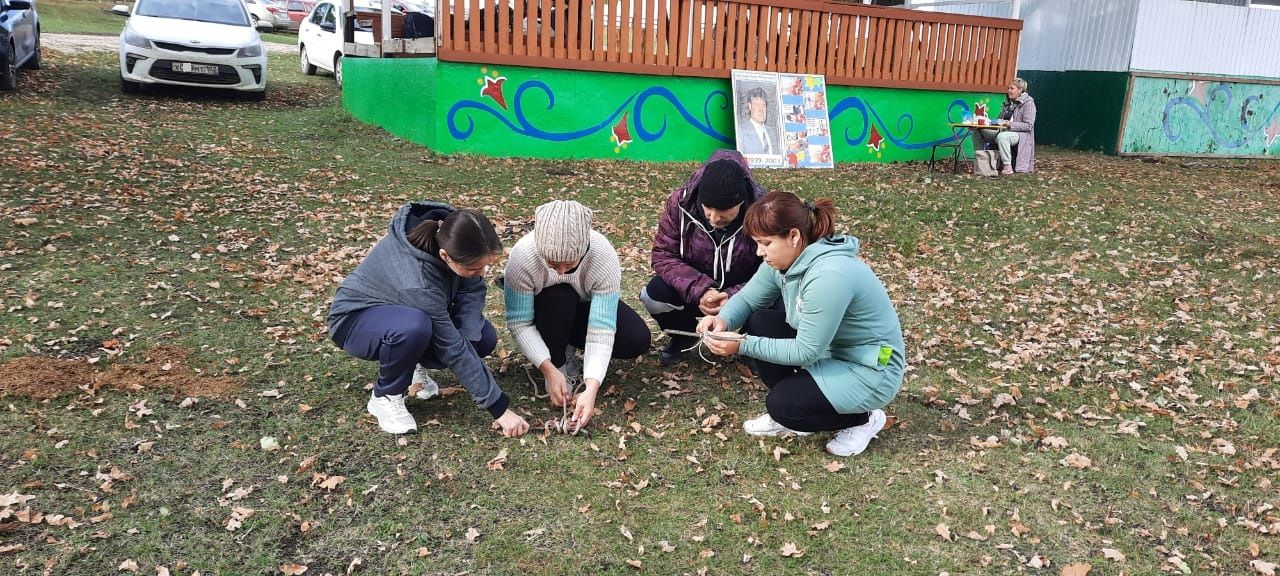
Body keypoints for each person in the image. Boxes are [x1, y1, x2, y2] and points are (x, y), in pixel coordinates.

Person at [697, 192, 906, 457]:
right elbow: (749, 299)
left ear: (793, 236)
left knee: (784, 407)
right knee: (760, 320)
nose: (759, 252)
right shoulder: (786, 260)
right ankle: (805, 402)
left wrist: (742, 345)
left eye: (765, 243)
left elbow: (807, 352)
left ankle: (863, 418)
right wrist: (722, 319)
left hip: (871, 368)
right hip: (834, 352)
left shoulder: (828, 276)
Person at [327, 201, 530, 437]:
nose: (482, 274)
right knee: (415, 327)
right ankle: (385, 395)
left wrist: (467, 335)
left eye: (485, 267)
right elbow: (451, 347)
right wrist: (499, 409)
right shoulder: (418, 280)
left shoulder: (458, 237)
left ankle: (411, 366)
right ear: (445, 256)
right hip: (355, 322)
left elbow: (471, 291)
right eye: (474, 269)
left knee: (482, 338)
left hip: (407, 313)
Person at [503, 200, 652, 432]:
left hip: (584, 308)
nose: (561, 272)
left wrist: (592, 387)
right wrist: (549, 368)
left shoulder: (603, 254)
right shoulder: (522, 256)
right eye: (552, 264)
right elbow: (519, 323)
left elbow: (602, 327)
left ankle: (570, 346)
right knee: (559, 295)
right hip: (548, 310)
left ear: (584, 250)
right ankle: (559, 360)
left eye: (569, 265)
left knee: (636, 339)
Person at [641, 149, 766, 365]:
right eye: (708, 208)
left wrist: (733, 296)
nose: (714, 218)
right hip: (694, 290)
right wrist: (701, 290)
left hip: (745, 288)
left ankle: (749, 346)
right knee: (653, 294)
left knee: (777, 299)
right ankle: (684, 338)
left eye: (724, 211)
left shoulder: (765, 210)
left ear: (741, 202)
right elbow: (663, 253)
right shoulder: (680, 203)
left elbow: (775, 269)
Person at [978, 77, 1036, 175]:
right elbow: (1000, 121)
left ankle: (1007, 166)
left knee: (1002, 137)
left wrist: (1009, 124)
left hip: (1021, 135)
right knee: (978, 132)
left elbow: (1028, 126)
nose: (1008, 91)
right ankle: (981, 162)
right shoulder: (1008, 103)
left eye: (1012, 88)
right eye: (1008, 88)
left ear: (1020, 90)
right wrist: (986, 122)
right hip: (1003, 131)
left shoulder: (1028, 103)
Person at [736, 87, 779, 155]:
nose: (761, 109)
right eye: (757, 105)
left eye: (763, 105)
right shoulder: (741, 131)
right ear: (750, 106)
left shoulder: (773, 133)